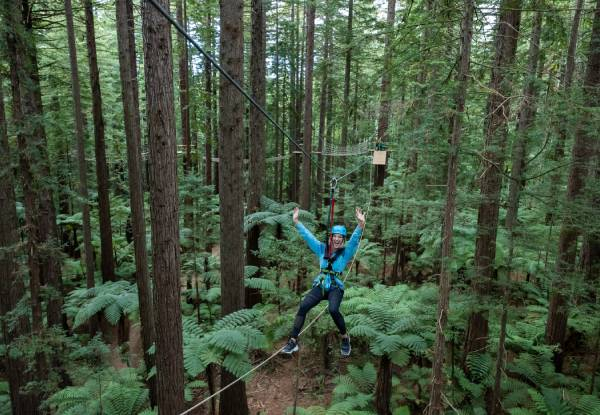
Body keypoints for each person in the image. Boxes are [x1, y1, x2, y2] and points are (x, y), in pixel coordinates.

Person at [282, 206, 366, 357]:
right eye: (335, 236)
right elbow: (308, 236)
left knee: (333, 310)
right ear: (331, 237)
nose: (337, 239)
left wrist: (360, 224)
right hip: (321, 285)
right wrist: (296, 222)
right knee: (303, 306)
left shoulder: (345, 253)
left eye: (340, 237)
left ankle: (345, 338)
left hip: (335, 287)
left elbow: (354, 240)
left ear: (342, 240)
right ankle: (293, 341)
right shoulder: (321, 249)